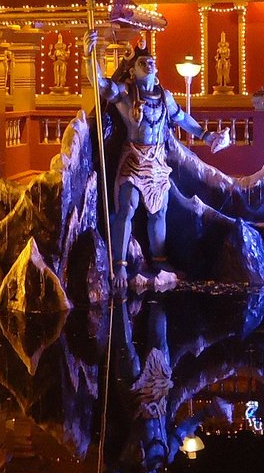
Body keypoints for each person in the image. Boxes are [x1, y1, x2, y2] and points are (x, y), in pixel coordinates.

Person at [92, 41, 231, 288]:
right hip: (134, 159)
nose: (150, 64)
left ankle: (159, 260)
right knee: (127, 209)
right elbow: (101, 85)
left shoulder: (164, 97)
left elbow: (181, 118)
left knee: (159, 213)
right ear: (132, 71)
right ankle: (120, 265)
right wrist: (89, 55)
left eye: (151, 61)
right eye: (143, 62)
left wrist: (207, 136)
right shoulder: (126, 94)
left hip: (157, 162)